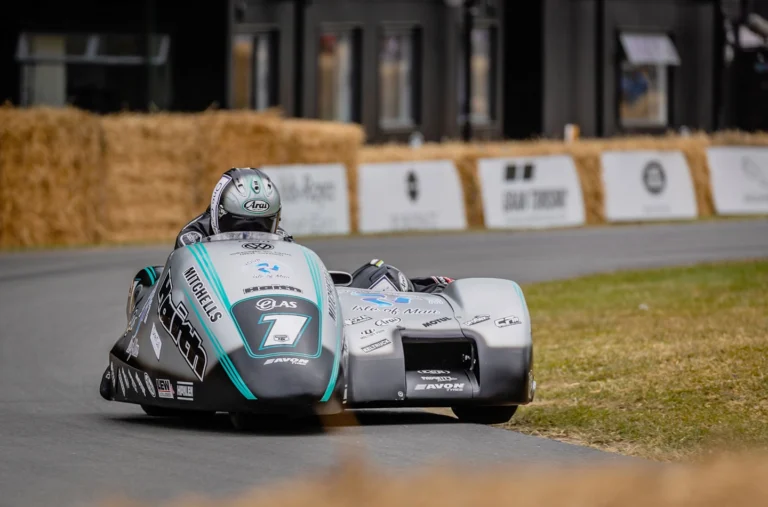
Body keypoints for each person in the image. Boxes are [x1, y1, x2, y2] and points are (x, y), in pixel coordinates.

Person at [127, 167, 453, 317]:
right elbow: (186, 285)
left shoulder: (282, 238)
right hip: (221, 305)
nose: (251, 231)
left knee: (382, 274)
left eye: (261, 224)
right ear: (219, 214)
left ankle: (427, 288)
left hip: (271, 302)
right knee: (150, 280)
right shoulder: (192, 237)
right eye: (241, 224)